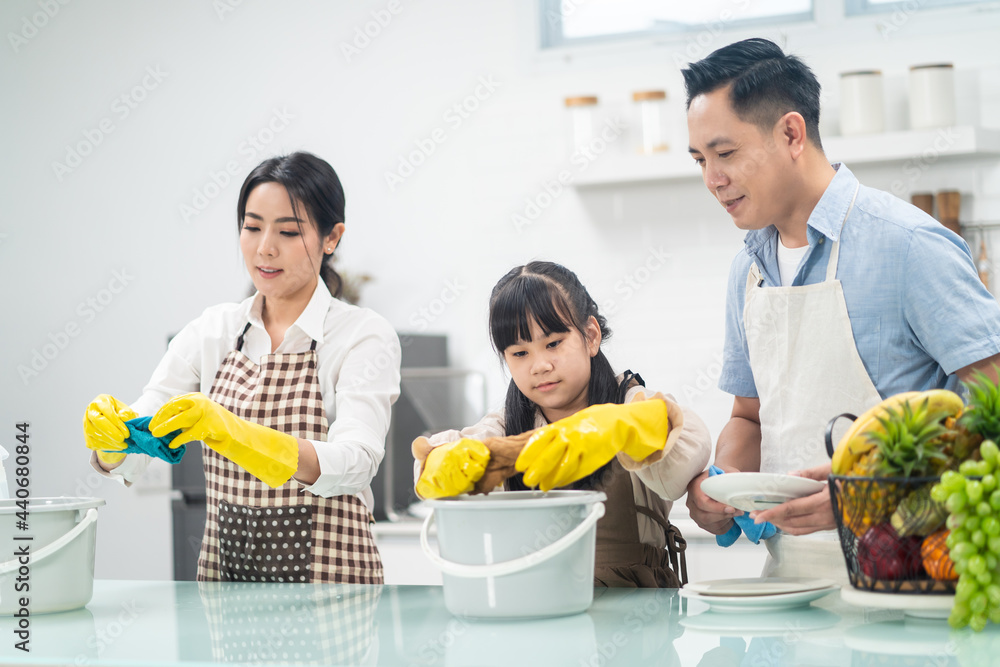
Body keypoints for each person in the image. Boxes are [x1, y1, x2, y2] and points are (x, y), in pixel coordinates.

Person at [681, 38, 1000, 578]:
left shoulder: (908, 246)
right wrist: (723, 484)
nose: (712, 179)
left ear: (791, 133)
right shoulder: (748, 270)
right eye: (700, 160)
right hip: (790, 585)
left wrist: (869, 490)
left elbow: (991, 412)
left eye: (726, 154)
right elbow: (749, 416)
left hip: (911, 579)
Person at [82, 152, 401, 584]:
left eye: (288, 231)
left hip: (333, 597)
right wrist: (113, 440)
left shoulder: (362, 335)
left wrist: (235, 434)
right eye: (252, 227)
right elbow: (142, 442)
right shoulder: (212, 331)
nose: (265, 247)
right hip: (228, 597)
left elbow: (357, 462)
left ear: (332, 238)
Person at [413, 261, 712, 587]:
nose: (540, 365)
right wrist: (440, 465)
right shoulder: (507, 425)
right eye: (520, 353)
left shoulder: (632, 405)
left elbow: (687, 453)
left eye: (553, 343)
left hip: (639, 619)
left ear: (591, 336)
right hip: (538, 610)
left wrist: (620, 427)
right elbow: (449, 455)